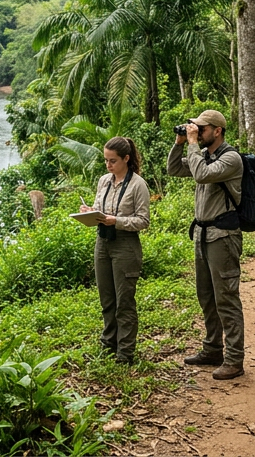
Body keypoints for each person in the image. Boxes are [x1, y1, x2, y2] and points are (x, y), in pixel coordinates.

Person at [166, 110, 245, 380]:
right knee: (207, 296)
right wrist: (179, 143)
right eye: (195, 128)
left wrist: (191, 144)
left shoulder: (230, 158)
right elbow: (174, 169)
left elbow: (201, 175)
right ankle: (213, 349)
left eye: (202, 128)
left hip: (223, 236)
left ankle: (234, 359)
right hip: (202, 235)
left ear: (218, 131)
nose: (197, 132)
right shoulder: (206, 156)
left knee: (226, 298)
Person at [78, 136, 151, 365]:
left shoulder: (137, 184)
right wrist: (90, 211)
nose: (108, 165)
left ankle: (125, 353)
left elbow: (143, 220)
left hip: (125, 244)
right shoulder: (104, 181)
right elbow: (100, 208)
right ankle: (108, 344)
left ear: (126, 159)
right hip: (103, 241)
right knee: (106, 299)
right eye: (106, 160)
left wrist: (116, 221)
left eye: (113, 161)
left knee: (124, 301)